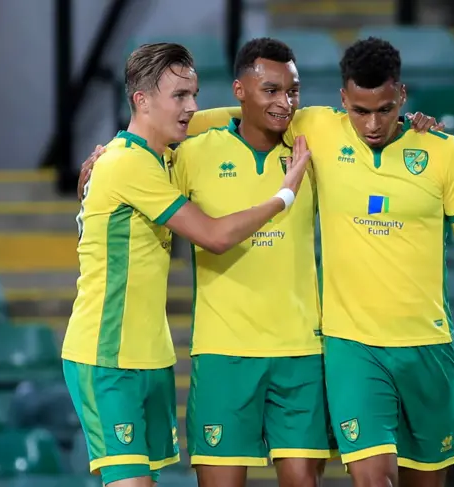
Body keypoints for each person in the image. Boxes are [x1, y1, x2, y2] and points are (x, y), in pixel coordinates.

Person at [149, 37, 454, 487]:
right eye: (360, 111)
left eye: (384, 110)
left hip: (396, 347)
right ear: (343, 99)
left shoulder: (429, 150)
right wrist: (128, 140)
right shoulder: (300, 134)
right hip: (335, 347)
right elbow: (240, 112)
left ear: (401, 97)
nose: (371, 123)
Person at [76, 40, 443, 487]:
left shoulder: (315, 144)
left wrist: (413, 123)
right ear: (240, 89)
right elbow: (168, 178)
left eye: (293, 91)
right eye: (270, 90)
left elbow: (378, 125)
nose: (284, 102)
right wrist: (111, 152)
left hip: (300, 352)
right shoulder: (186, 155)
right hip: (220, 354)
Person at [61, 42, 311, 487]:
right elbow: (214, 237)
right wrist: (284, 194)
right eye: (180, 96)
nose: (193, 108)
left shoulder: (160, 160)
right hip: (106, 356)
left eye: (194, 94)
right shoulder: (125, 165)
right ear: (141, 100)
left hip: (151, 356)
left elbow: (218, 119)